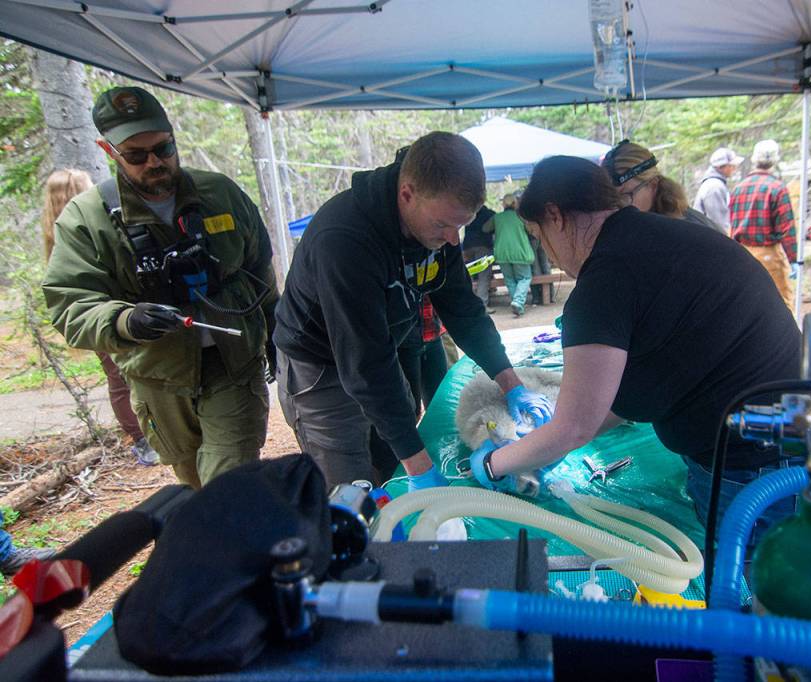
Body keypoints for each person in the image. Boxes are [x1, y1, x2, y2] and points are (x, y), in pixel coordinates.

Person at [469, 156, 801, 542]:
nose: (546, 247)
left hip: (753, 464)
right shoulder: (660, 237)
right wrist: (544, 445)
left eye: (538, 234)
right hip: (778, 438)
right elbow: (615, 397)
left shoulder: (606, 280)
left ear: (554, 215)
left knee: (753, 587)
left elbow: (574, 426)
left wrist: (494, 463)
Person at [273, 132, 553, 490]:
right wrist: (419, 470)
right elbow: (366, 364)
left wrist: (510, 384)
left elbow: (463, 309)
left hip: (383, 346)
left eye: (460, 226)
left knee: (393, 455)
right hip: (320, 366)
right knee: (350, 487)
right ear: (407, 194)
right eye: (443, 226)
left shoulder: (438, 224)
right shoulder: (344, 240)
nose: (453, 240)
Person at [43, 86, 279, 489]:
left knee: (229, 480)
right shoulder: (89, 219)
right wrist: (124, 321)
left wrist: (277, 333)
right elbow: (70, 305)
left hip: (233, 365)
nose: (155, 162)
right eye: (136, 155)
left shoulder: (219, 194)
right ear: (108, 150)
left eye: (164, 148)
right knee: (193, 483)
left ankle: (235, 543)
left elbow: (259, 268)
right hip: (158, 378)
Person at [41, 169, 159, 466]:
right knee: (120, 376)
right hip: (105, 315)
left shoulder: (59, 228)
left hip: (111, 314)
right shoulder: (80, 226)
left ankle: (146, 436)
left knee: (118, 377)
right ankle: (143, 439)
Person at [730, 139, 798, 312]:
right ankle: (785, 339)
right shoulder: (777, 188)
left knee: (749, 301)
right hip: (768, 254)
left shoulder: (738, 188)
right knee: (781, 302)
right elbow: (786, 228)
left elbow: (733, 222)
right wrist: (793, 259)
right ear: (774, 160)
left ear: (754, 159)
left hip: (743, 253)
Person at [600, 140, 720, 230]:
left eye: (625, 196)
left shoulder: (691, 229)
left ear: (652, 185)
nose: (617, 208)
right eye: (612, 198)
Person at [485, 193, 534, 317]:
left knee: (510, 280)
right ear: (515, 203)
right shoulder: (521, 217)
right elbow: (531, 229)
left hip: (502, 253)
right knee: (525, 278)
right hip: (520, 252)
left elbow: (485, 228)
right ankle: (518, 302)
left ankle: (518, 305)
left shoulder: (497, 217)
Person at [693, 147, 743, 235]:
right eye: (732, 165)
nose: (734, 168)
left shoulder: (715, 184)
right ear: (721, 167)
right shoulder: (715, 187)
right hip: (709, 239)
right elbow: (719, 225)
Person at [461, 204, 496, 312]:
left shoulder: (470, 212)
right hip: (483, 246)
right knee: (484, 276)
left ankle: (468, 304)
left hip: (467, 246)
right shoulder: (490, 214)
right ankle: (482, 305)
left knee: (468, 275)